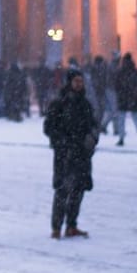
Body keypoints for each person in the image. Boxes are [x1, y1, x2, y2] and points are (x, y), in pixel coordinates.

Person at [43, 67, 98, 239]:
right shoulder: (60, 103)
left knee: (78, 190)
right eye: (76, 81)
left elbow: (94, 126)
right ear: (69, 82)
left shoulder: (85, 104)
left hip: (82, 153)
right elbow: (49, 127)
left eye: (81, 82)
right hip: (65, 154)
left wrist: (92, 138)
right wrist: (62, 143)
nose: (79, 85)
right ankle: (56, 227)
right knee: (63, 190)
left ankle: (72, 225)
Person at [112, 53, 137, 146]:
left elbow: (116, 85)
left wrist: (120, 93)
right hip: (134, 98)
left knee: (121, 119)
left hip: (123, 98)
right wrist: (135, 92)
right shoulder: (135, 71)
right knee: (136, 118)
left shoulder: (120, 71)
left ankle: (121, 138)